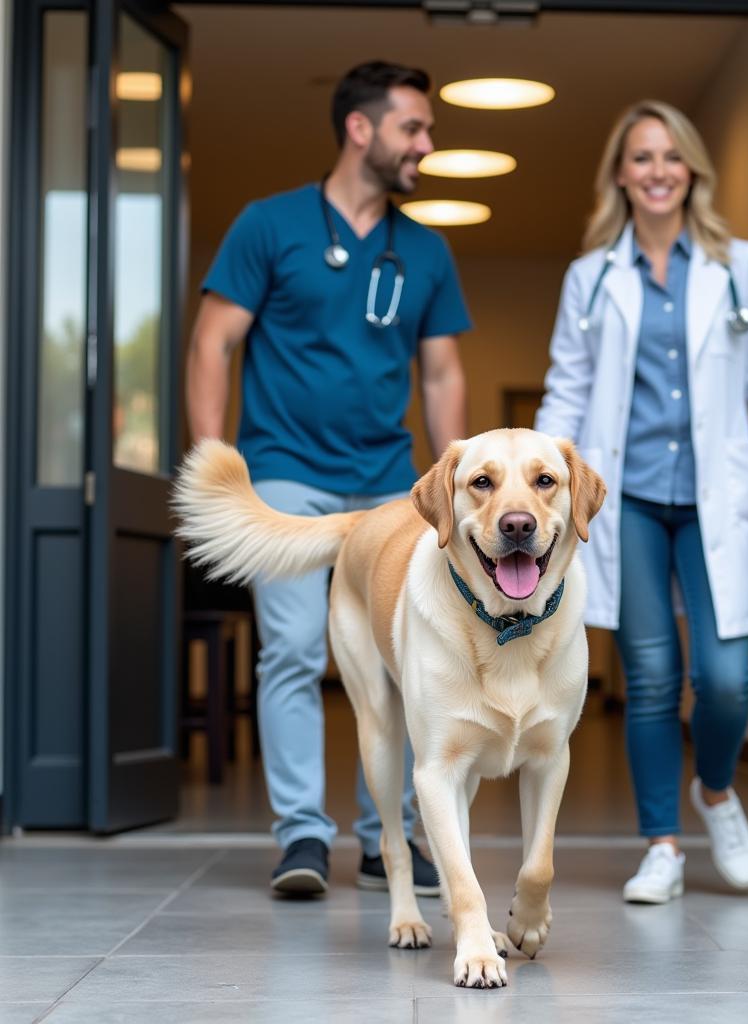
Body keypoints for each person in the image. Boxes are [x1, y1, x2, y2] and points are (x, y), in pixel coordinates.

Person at [186, 61, 471, 897]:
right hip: (284, 474)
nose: (426, 143)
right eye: (413, 128)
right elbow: (212, 342)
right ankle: (302, 838)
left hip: (389, 483)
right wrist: (216, 469)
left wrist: (456, 491)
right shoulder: (269, 227)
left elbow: (444, 373)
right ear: (361, 129)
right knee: (293, 652)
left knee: (405, 659)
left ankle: (394, 839)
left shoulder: (424, 248)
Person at [535, 100, 748, 904]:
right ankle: (661, 845)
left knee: (725, 681)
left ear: (692, 171)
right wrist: (541, 480)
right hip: (631, 501)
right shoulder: (590, 278)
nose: (657, 172)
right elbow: (568, 391)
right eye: (641, 158)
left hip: (719, 496)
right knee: (651, 676)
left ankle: (714, 792)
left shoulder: (736, 263)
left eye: (670, 157)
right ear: (621, 173)